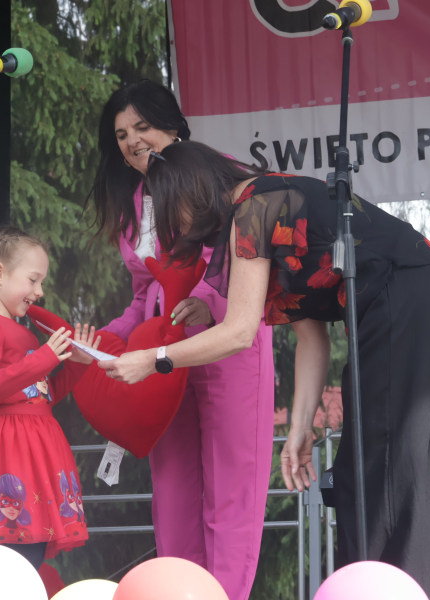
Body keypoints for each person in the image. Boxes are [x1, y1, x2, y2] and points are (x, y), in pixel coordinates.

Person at [98, 141, 430, 596]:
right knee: (380, 474)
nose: (178, 228)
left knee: (380, 474)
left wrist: (154, 359)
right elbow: (312, 337)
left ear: (192, 190)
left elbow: (238, 331)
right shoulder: (269, 202)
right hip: (415, 297)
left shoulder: (254, 208)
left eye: (174, 212)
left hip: (404, 299)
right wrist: (300, 428)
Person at [90, 80, 275, 600]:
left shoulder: (220, 175)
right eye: (121, 134)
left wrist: (206, 303)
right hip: (161, 360)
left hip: (225, 343)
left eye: (142, 127)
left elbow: (245, 262)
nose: (132, 140)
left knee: (231, 490)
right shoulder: (131, 208)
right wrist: (106, 338)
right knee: (172, 493)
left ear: (173, 126)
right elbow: (142, 294)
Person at [0, 225, 101, 570]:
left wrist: (77, 365)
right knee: (12, 557)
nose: (39, 292)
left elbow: (41, 396)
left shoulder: (22, 332)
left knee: (30, 555)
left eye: (41, 282)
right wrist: (43, 358)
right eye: (33, 280)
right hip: (10, 452)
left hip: (35, 449)